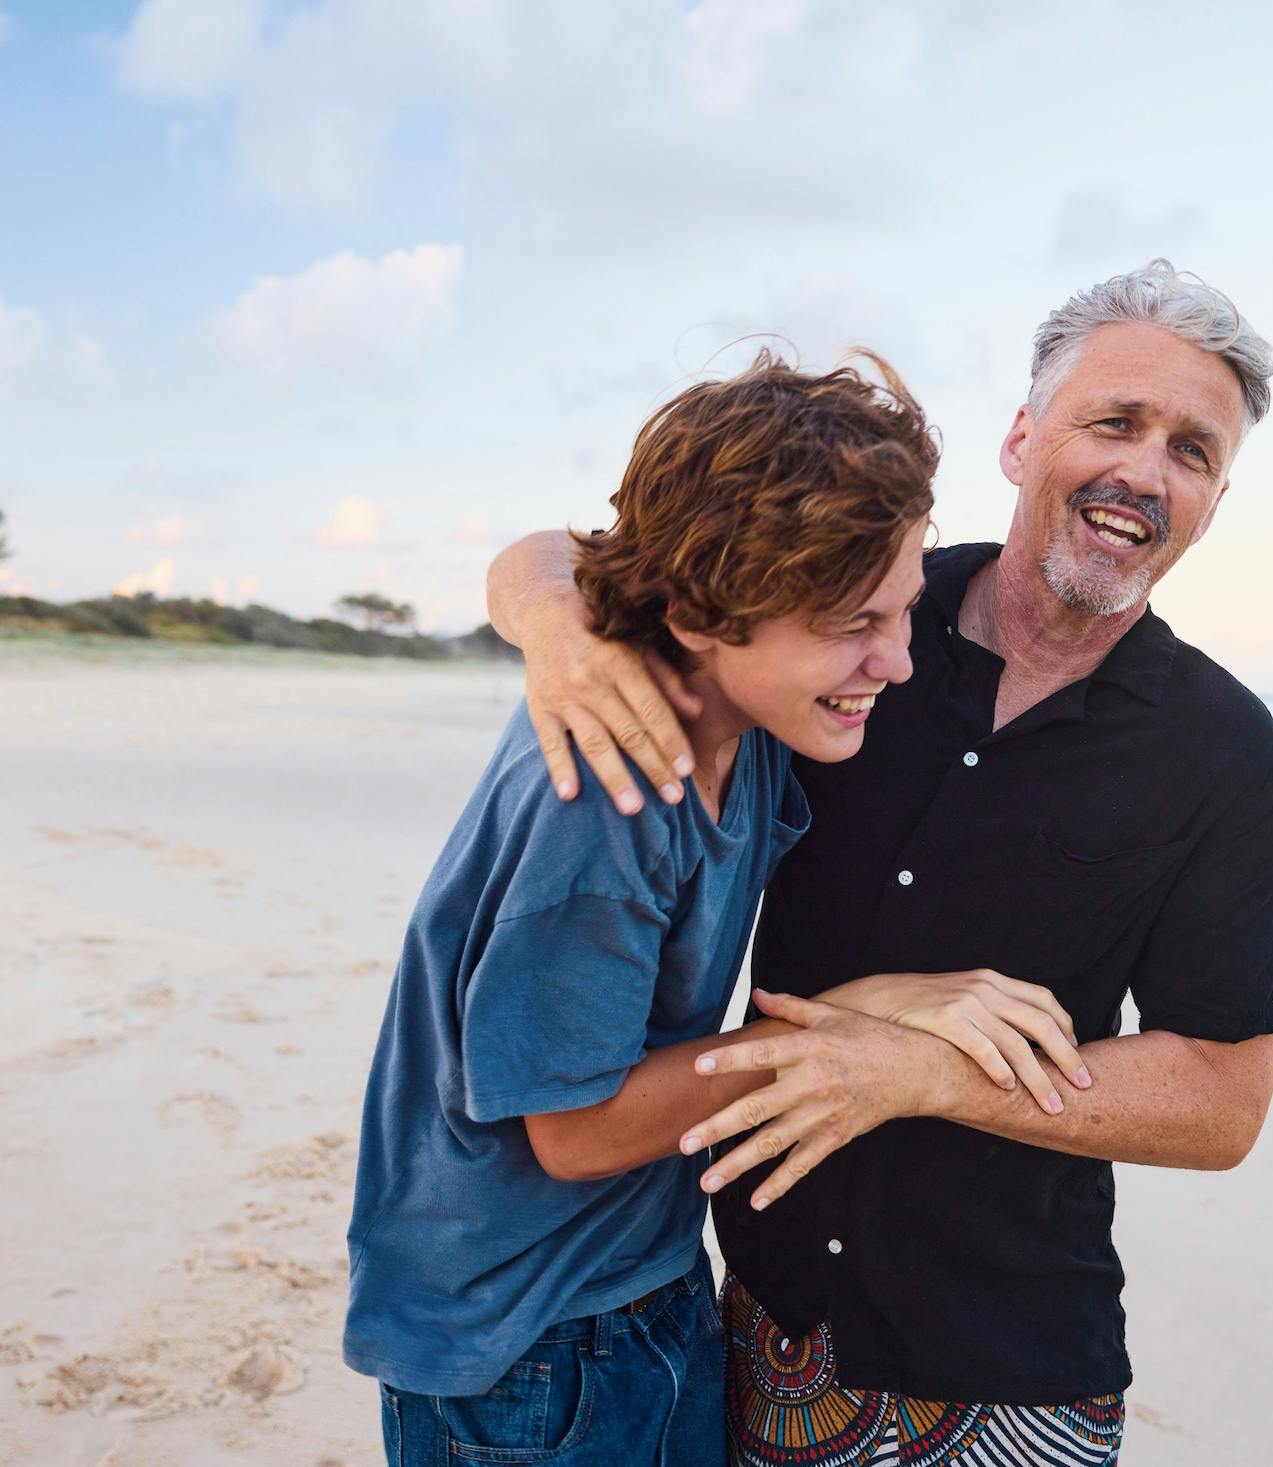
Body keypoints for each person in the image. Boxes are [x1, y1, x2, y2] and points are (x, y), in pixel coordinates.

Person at [487, 260, 1273, 1466]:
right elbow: (595, 552)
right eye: (1113, 422)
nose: (1142, 470)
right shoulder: (861, 617)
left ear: (1214, 501)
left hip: (1003, 1373)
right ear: (1023, 440)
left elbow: (1223, 1102)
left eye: (1191, 450)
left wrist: (922, 1073)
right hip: (747, 1328)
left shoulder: (1222, 752)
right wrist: (554, 623)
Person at [345, 348, 1090, 1467]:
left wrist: (547, 609)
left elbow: (557, 554)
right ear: (701, 612)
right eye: (853, 624)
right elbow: (576, 1132)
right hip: (527, 1341)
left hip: (638, 1277)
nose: (895, 662)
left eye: (902, 608)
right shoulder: (606, 805)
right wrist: (862, 1019)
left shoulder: (751, 718)